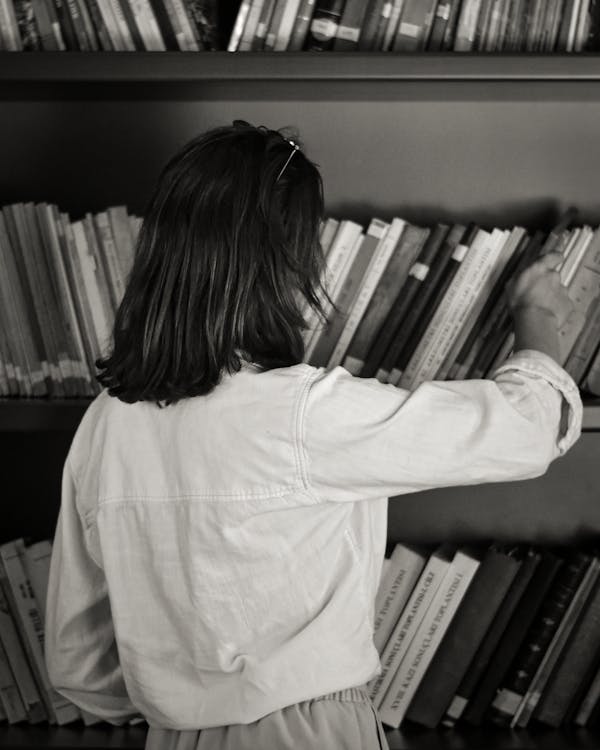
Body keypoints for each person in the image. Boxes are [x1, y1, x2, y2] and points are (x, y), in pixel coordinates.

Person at [44, 121, 582, 750]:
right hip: (308, 732)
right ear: (287, 261)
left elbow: (79, 668)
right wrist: (539, 318)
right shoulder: (305, 413)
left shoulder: (106, 422)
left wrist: (186, 698)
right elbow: (525, 428)